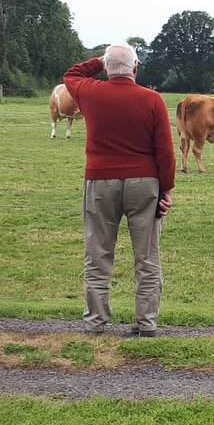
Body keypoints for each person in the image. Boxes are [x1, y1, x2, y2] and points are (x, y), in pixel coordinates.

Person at [64, 44, 175, 336]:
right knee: (147, 257)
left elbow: (71, 75)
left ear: (106, 68)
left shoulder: (90, 92)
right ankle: (147, 323)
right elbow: (165, 151)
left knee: (98, 254)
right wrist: (165, 190)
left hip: (100, 181)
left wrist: (100, 62)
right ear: (135, 68)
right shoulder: (152, 99)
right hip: (145, 182)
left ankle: (95, 322)